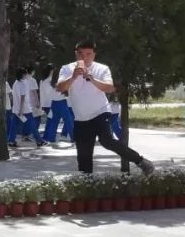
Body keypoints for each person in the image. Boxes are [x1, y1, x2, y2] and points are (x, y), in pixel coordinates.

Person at [56, 41, 155, 175]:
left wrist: (92, 78)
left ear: (94, 55)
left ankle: (140, 161)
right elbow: (60, 88)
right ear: (76, 54)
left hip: (100, 112)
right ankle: (86, 183)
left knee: (107, 141)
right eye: (80, 54)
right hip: (81, 118)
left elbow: (109, 88)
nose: (84, 57)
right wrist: (73, 77)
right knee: (84, 156)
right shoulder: (67, 69)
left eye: (88, 54)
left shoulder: (102, 69)